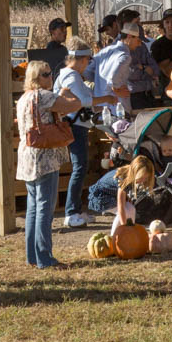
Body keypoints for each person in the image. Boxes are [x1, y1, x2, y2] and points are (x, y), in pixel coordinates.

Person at [16, 60, 79, 269]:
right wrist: (68, 92)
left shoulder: (23, 98)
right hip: (45, 158)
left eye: (50, 73)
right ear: (35, 78)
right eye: (45, 74)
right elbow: (74, 105)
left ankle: (32, 257)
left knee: (33, 209)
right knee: (45, 208)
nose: (50, 77)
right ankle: (45, 258)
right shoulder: (43, 96)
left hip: (27, 157)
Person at [54, 38, 117, 229]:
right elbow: (83, 100)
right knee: (79, 167)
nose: (88, 64)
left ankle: (76, 210)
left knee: (80, 167)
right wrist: (106, 98)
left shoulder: (70, 76)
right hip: (74, 127)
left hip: (78, 125)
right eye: (88, 60)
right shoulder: (72, 76)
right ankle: (71, 213)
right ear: (81, 59)